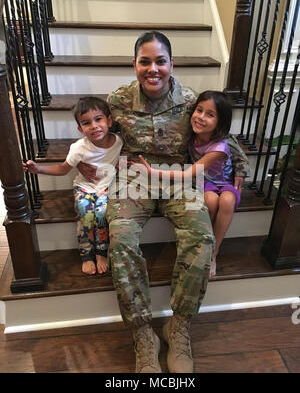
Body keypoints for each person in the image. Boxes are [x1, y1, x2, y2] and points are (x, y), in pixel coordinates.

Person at [78, 31, 249, 373]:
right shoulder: (117, 100)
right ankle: (143, 334)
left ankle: (179, 325)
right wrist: (84, 161)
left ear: (172, 64)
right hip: (133, 177)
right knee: (122, 240)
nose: (152, 69)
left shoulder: (190, 101)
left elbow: (221, 137)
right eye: (145, 61)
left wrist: (239, 172)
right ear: (134, 64)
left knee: (201, 238)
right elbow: (97, 131)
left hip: (179, 175)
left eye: (160, 61)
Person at [139, 90, 249, 278]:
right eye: (199, 110)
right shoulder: (191, 133)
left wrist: (153, 172)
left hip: (224, 182)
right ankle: (203, 245)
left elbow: (188, 173)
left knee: (228, 200)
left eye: (210, 114)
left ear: (220, 123)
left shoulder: (219, 147)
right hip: (204, 184)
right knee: (211, 201)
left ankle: (214, 250)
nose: (201, 117)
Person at [23, 97, 123, 276]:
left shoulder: (119, 142)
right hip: (85, 187)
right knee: (85, 213)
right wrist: (37, 169)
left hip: (107, 187)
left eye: (98, 119)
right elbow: (62, 169)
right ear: (80, 129)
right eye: (86, 123)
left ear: (109, 120)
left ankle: (101, 252)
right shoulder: (79, 148)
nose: (94, 126)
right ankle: (86, 254)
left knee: (102, 213)